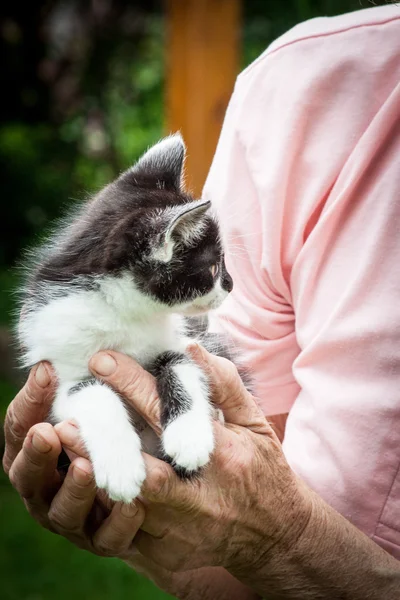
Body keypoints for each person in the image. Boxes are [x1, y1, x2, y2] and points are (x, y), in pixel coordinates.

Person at [3, 3, 400, 599]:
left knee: (180, 362)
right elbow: (75, 387)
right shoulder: (300, 86)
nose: (226, 290)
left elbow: (186, 367)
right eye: (215, 271)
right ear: (158, 255)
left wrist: (189, 422)